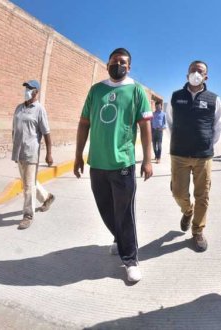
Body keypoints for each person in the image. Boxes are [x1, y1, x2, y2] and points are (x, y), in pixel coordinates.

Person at [73, 48, 153, 283]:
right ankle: (118, 238)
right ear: (107, 64)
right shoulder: (96, 90)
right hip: (97, 163)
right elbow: (84, 123)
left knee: (125, 213)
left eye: (124, 62)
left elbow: (145, 128)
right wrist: (78, 155)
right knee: (105, 208)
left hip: (123, 163)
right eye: (115, 61)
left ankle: (130, 260)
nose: (119, 64)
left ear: (129, 66)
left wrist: (147, 159)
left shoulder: (137, 90)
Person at [169, 60, 221, 252]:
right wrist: (180, 141)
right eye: (193, 69)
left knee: (203, 195)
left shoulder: (213, 99)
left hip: (203, 156)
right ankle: (187, 211)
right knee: (178, 192)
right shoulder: (176, 97)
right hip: (179, 155)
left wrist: (206, 143)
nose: (196, 73)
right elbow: (170, 123)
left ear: (206, 76)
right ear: (187, 74)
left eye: (200, 71)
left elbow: (217, 127)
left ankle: (198, 231)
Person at [11, 79, 55, 230]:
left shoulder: (39, 109)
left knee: (28, 186)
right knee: (28, 182)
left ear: (36, 91)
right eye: (26, 88)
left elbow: (46, 133)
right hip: (18, 152)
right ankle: (47, 197)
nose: (27, 90)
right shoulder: (19, 108)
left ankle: (28, 215)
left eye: (30, 88)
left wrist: (49, 154)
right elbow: (14, 129)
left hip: (31, 152)